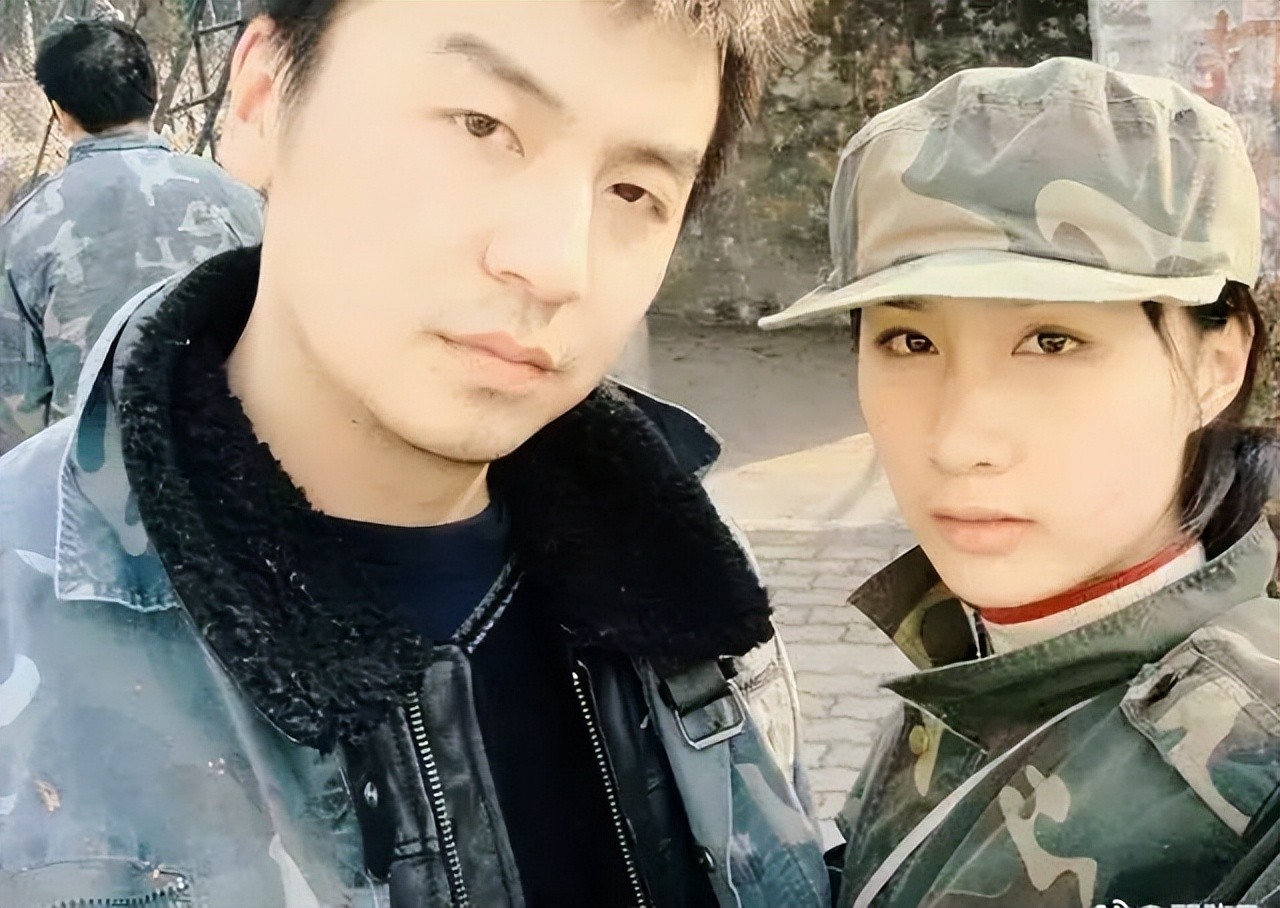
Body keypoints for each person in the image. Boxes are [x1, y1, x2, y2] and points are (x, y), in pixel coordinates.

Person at [0, 2, 829, 906]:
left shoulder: (694, 587)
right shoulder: (23, 618)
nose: (557, 265)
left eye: (634, 192)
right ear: (263, 96)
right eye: (481, 125)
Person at [761, 57, 1280, 907]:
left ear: (1216, 363)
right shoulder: (983, 657)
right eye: (910, 342)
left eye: (1051, 341)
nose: (958, 441)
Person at [0, 16, 262, 453]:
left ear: (59, 110)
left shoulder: (24, 230)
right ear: (151, 94)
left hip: (89, 474)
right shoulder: (237, 200)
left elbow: (17, 410)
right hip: (228, 462)